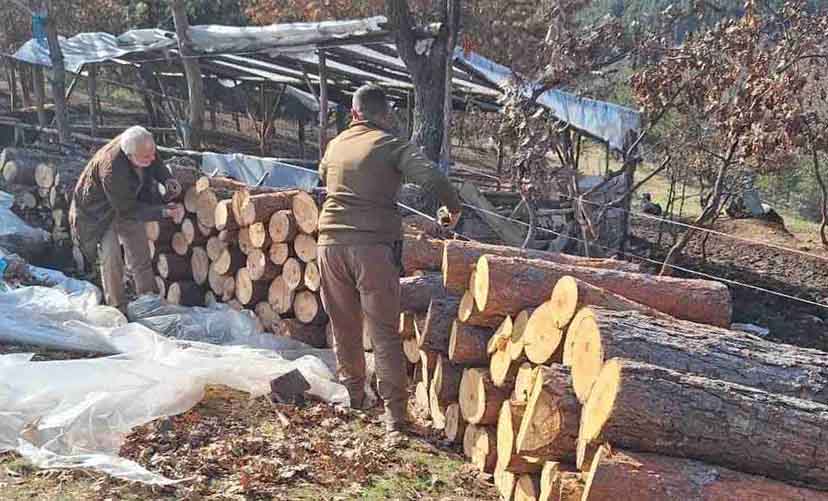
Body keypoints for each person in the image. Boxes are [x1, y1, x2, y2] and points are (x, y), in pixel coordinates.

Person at [317, 84, 462, 436]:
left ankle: (354, 396)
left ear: (354, 113)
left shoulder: (335, 145)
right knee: (383, 331)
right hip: (372, 248)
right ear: (385, 114)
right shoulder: (390, 144)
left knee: (344, 327)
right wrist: (451, 209)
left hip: (329, 244)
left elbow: (323, 176)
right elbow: (432, 177)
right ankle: (396, 416)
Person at [69, 126, 185, 312]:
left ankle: (149, 302)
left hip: (125, 202)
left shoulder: (141, 146)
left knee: (140, 252)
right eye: (146, 158)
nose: (152, 158)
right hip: (98, 213)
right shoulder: (112, 169)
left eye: (152, 153)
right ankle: (117, 307)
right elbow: (128, 210)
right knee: (111, 257)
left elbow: (155, 162)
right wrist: (163, 212)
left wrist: (167, 179)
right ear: (130, 156)